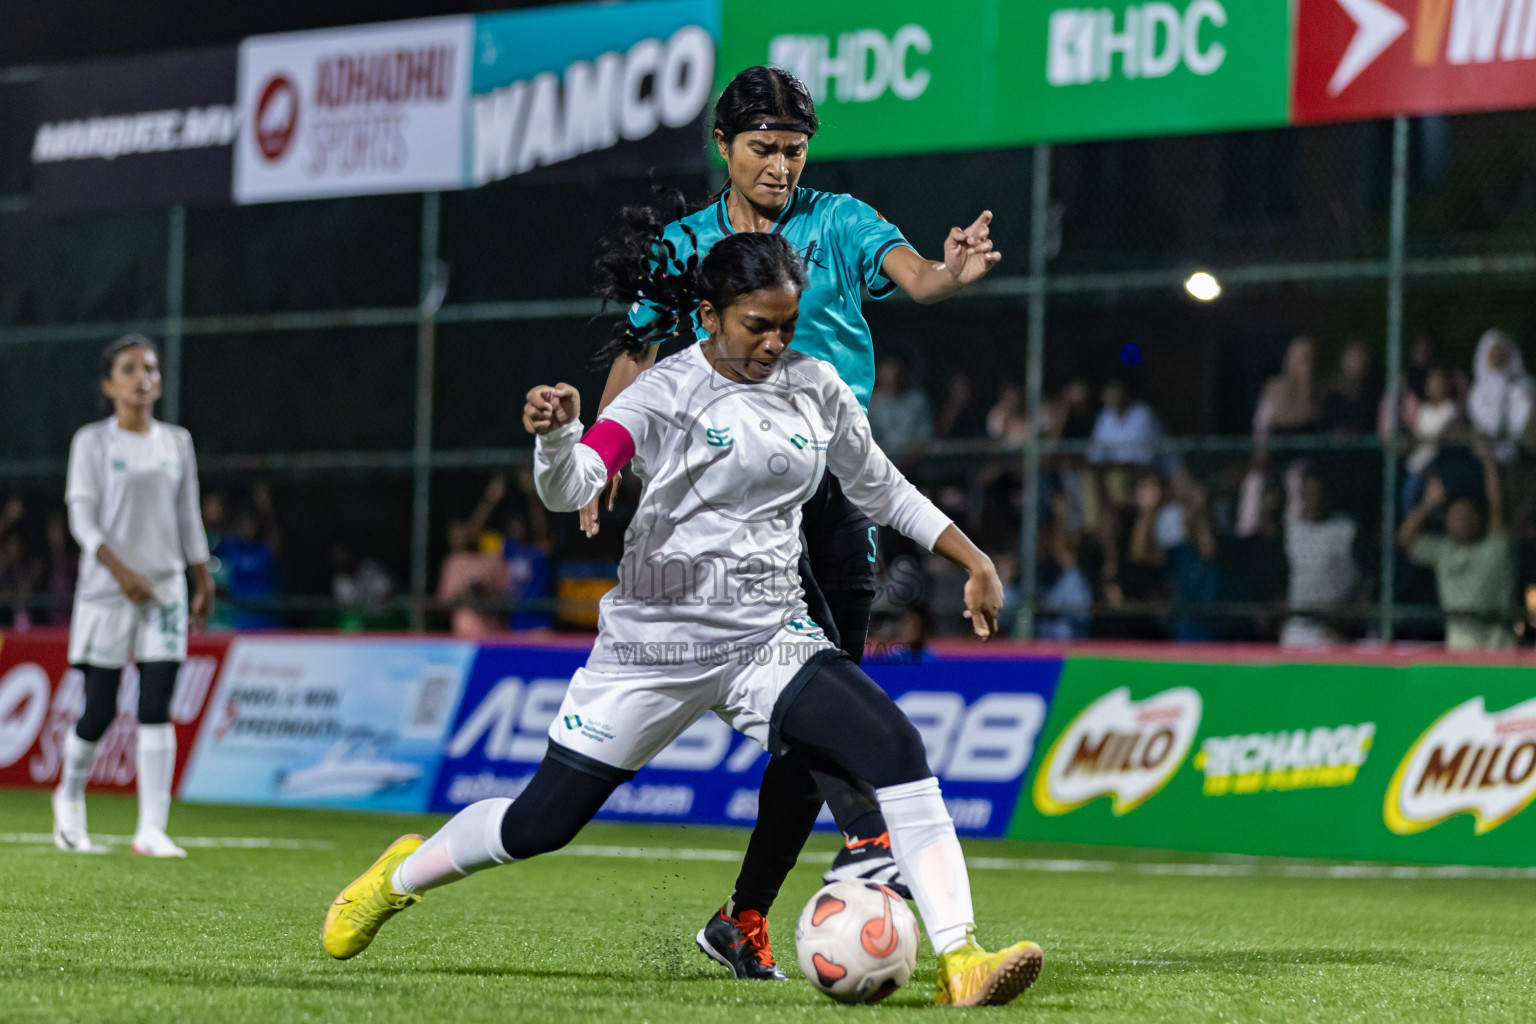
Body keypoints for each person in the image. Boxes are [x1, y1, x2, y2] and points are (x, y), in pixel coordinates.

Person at [319, 232, 1042, 1007]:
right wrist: (557, 439)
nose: (773, 344)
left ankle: (960, 959)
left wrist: (975, 559)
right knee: (539, 826)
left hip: (769, 636)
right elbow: (575, 486)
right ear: (708, 315)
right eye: (756, 326)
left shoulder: (817, 386)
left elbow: (882, 489)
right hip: (654, 647)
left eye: (786, 326)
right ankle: (396, 877)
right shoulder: (664, 391)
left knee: (896, 745)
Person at [575, 66, 1003, 975]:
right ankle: (866, 836)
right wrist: (603, 461)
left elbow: (917, 278)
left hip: (834, 485)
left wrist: (950, 274)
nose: (779, 165)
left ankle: (743, 917)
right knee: (822, 706)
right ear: (724, 148)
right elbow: (638, 355)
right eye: (763, 148)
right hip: (731, 493)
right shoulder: (687, 244)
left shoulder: (841, 220)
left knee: (819, 704)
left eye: (793, 149)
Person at [53, 334, 213, 858]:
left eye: (149, 368)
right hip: (106, 592)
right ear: (109, 384)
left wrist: (201, 578)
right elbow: (82, 519)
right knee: (98, 710)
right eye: (128, 369)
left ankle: (151, 829)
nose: (142, 377)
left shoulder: (177, 442)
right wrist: (121, 573)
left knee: (156, 705)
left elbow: (188, 515)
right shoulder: (91, 443)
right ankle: (69, 799)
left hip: (163, 589)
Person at [1399, 450, 1515, 650]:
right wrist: (1429, 503)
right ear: (1446, 523)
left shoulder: (1495, 548)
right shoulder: (1442, 551)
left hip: (1498, 644)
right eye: (1457, 514)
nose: (1464, 518)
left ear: (1480, 521)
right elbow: (1405, 539)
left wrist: (1489, 463)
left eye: (1470, 514)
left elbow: (1496, 504)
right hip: (1460, 643)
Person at [1468, 329, 1533, 465]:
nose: (1498, 357)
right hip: (1488, 454)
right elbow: (1484, 422)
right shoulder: (1479, 391)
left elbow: (1527, 412)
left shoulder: (1524, 383)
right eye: (1494, 353)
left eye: (1501, 353)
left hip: (1524, 451)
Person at [1254, 336, 1322, 446]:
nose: (1306, 364)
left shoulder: (1319, 390)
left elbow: (1315, 419)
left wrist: (1305, 388)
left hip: (1309, 453)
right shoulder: (1275, 387)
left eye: (1310, 358)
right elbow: (1263, 424)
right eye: (1302, 358)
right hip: (1278, 450)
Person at [867, 357, 935, 461]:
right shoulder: (872, 402)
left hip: (914, 464)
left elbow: (924, 438)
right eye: (886, 374)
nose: (891, 378)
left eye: (894, 372)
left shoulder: (917, 401)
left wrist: (905, 463)